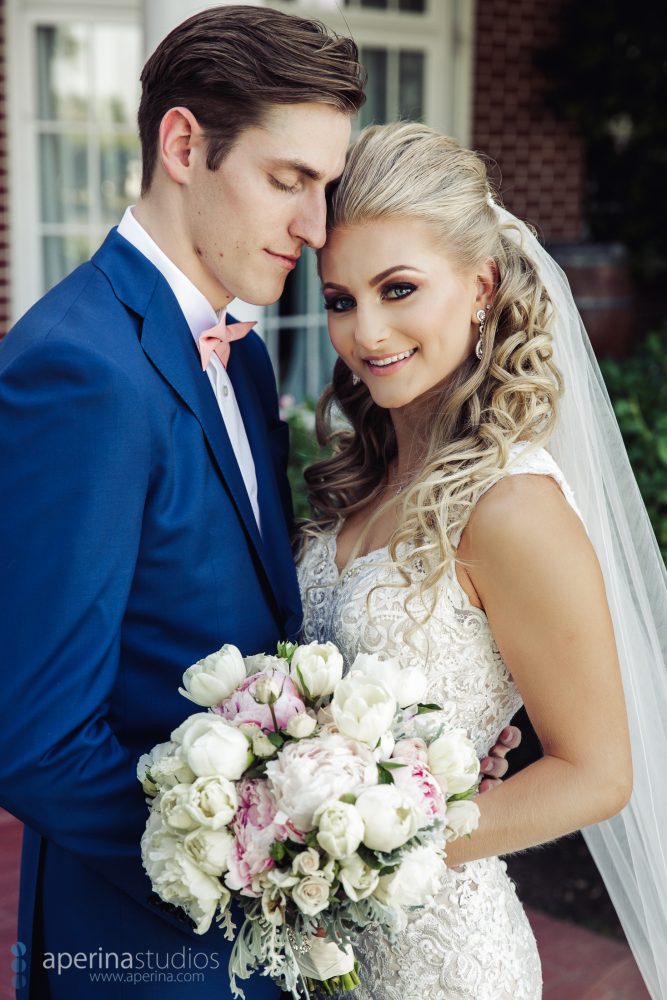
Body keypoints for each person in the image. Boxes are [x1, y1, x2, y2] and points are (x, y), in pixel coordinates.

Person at [0, 9, 517, 999]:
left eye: (325, 187)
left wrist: (404, 761)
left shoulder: (235, 354)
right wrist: (274, 871)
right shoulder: (80, 371)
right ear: (185, 144)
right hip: (143, 950)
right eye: (289, 181)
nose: (318, 229)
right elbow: (34, 739)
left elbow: (259, 628)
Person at [298, 121, 667, 999]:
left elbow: (597, 774)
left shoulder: (511, 505)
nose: (366, 332)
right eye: (341, 299)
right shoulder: (369, 474)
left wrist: (365, 850)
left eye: (398, 289)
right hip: (326, 944)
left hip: (444, 960)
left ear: (480, 285)